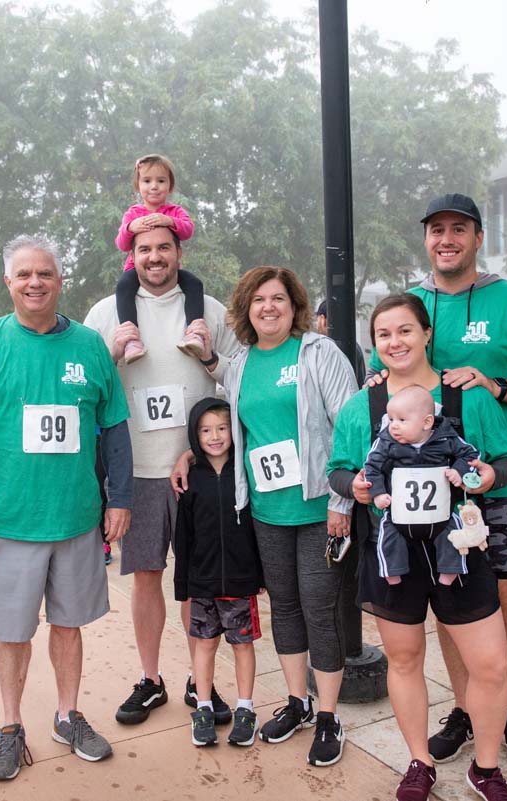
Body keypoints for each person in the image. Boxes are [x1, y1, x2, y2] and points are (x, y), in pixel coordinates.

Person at [370, 193, 507, 771]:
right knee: (444, 604)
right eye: (436, 230)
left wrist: (498, 387)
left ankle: (505, 712)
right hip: (427, 494)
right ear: (427, 240)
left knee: (500, 601)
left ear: (478, 237)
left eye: (459, 229)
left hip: (497, 485)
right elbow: (396, 364)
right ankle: (463, 710)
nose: (446, 240)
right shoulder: (416, 304)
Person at [0, 235, 132, 781]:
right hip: (8, 522)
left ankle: (68, 716)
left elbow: (114, 428)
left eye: (44, 274)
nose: (34, 283)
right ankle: (10, 726)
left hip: (76, 518)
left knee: (69, 625)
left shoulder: (91, 348)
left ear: (59, 280)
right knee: (13, 631)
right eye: (24, 274)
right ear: (8, 282)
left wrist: (119, 497)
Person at [330, 293, 507, 801]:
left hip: (458, 547)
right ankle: (419, 762)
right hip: (393, 552)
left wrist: (486, 477)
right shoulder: (364, 405)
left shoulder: (466, 396)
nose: (396, 342)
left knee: (490, 664)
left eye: (405, 331)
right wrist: (355, 487)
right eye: (384, 335)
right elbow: (338, 469)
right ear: (374, 345)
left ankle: (485, 767)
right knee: (404, 658)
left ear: (426, 333)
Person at [176, 266, 357, 766]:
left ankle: (328, 714)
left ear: (294, 305)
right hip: (265, 512)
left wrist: (343, 502)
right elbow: (222, 423)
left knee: (321, 608)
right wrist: (190, 453)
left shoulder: (318, 354)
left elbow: (350, 425)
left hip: (321, 509)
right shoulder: (239, 364)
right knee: (286, 606)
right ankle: (297, 702)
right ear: (246, 309)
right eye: (258, 300)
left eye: (278, 298)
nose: (268, 307)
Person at [84, 226, 240, 728]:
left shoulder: (209, 311)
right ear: (132, 256)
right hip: (139, 469)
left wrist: (205, 451)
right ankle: (152, 679)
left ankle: (203, 680)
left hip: (197, 468)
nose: (154, 257)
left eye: (163, 248)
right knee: (146, 577)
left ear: (179, 252)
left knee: (198, 581)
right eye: (144, 249)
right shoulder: (106, 313)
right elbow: (86, 385)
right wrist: (110, 352)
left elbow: (238, 378)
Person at [172, 397, 263, 748]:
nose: (214, 436)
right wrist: (185, 585)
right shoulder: (191, 479)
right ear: (196, 435)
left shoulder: (245, 471)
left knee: (242, 645)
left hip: (240, 581)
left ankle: (245, 709)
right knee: (205, 645)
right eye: (206, 430)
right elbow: (184, 536)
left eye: (222, 428)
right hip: (203, 581)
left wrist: (260, 576)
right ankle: (204, 706)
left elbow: (257, 528)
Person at [363, 384, 481, 586]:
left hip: (440, 512)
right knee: (388, 534)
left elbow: (471, 455)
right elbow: (371, 466)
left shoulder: (446, 437)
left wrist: (458, 471)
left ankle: (450, 573)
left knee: (452, 533)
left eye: (401, 420)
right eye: (390, 419)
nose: (394, 426)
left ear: (427, 422)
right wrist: (378, 493)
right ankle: (392, 574)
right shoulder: (386, 442)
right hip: (400, 512)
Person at [114, 154, 205, 363]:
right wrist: (130, 228)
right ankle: (131, 340)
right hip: (135, 271)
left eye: (161, 181)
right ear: (138, 186)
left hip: (169, 271)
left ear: (170, 186)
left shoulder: (175, 211)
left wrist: (169, 221)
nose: (154, 186)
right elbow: (121, 243)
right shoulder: (132, 214)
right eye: (147, 181)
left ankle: (195, 332)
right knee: (123, 286)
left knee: (194, 283)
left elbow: (188, 230)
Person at [315, 299, 367, 383]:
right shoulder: (355, 346)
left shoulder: (323, 349)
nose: (316, 324)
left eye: (316, 320)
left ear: (322, 320)